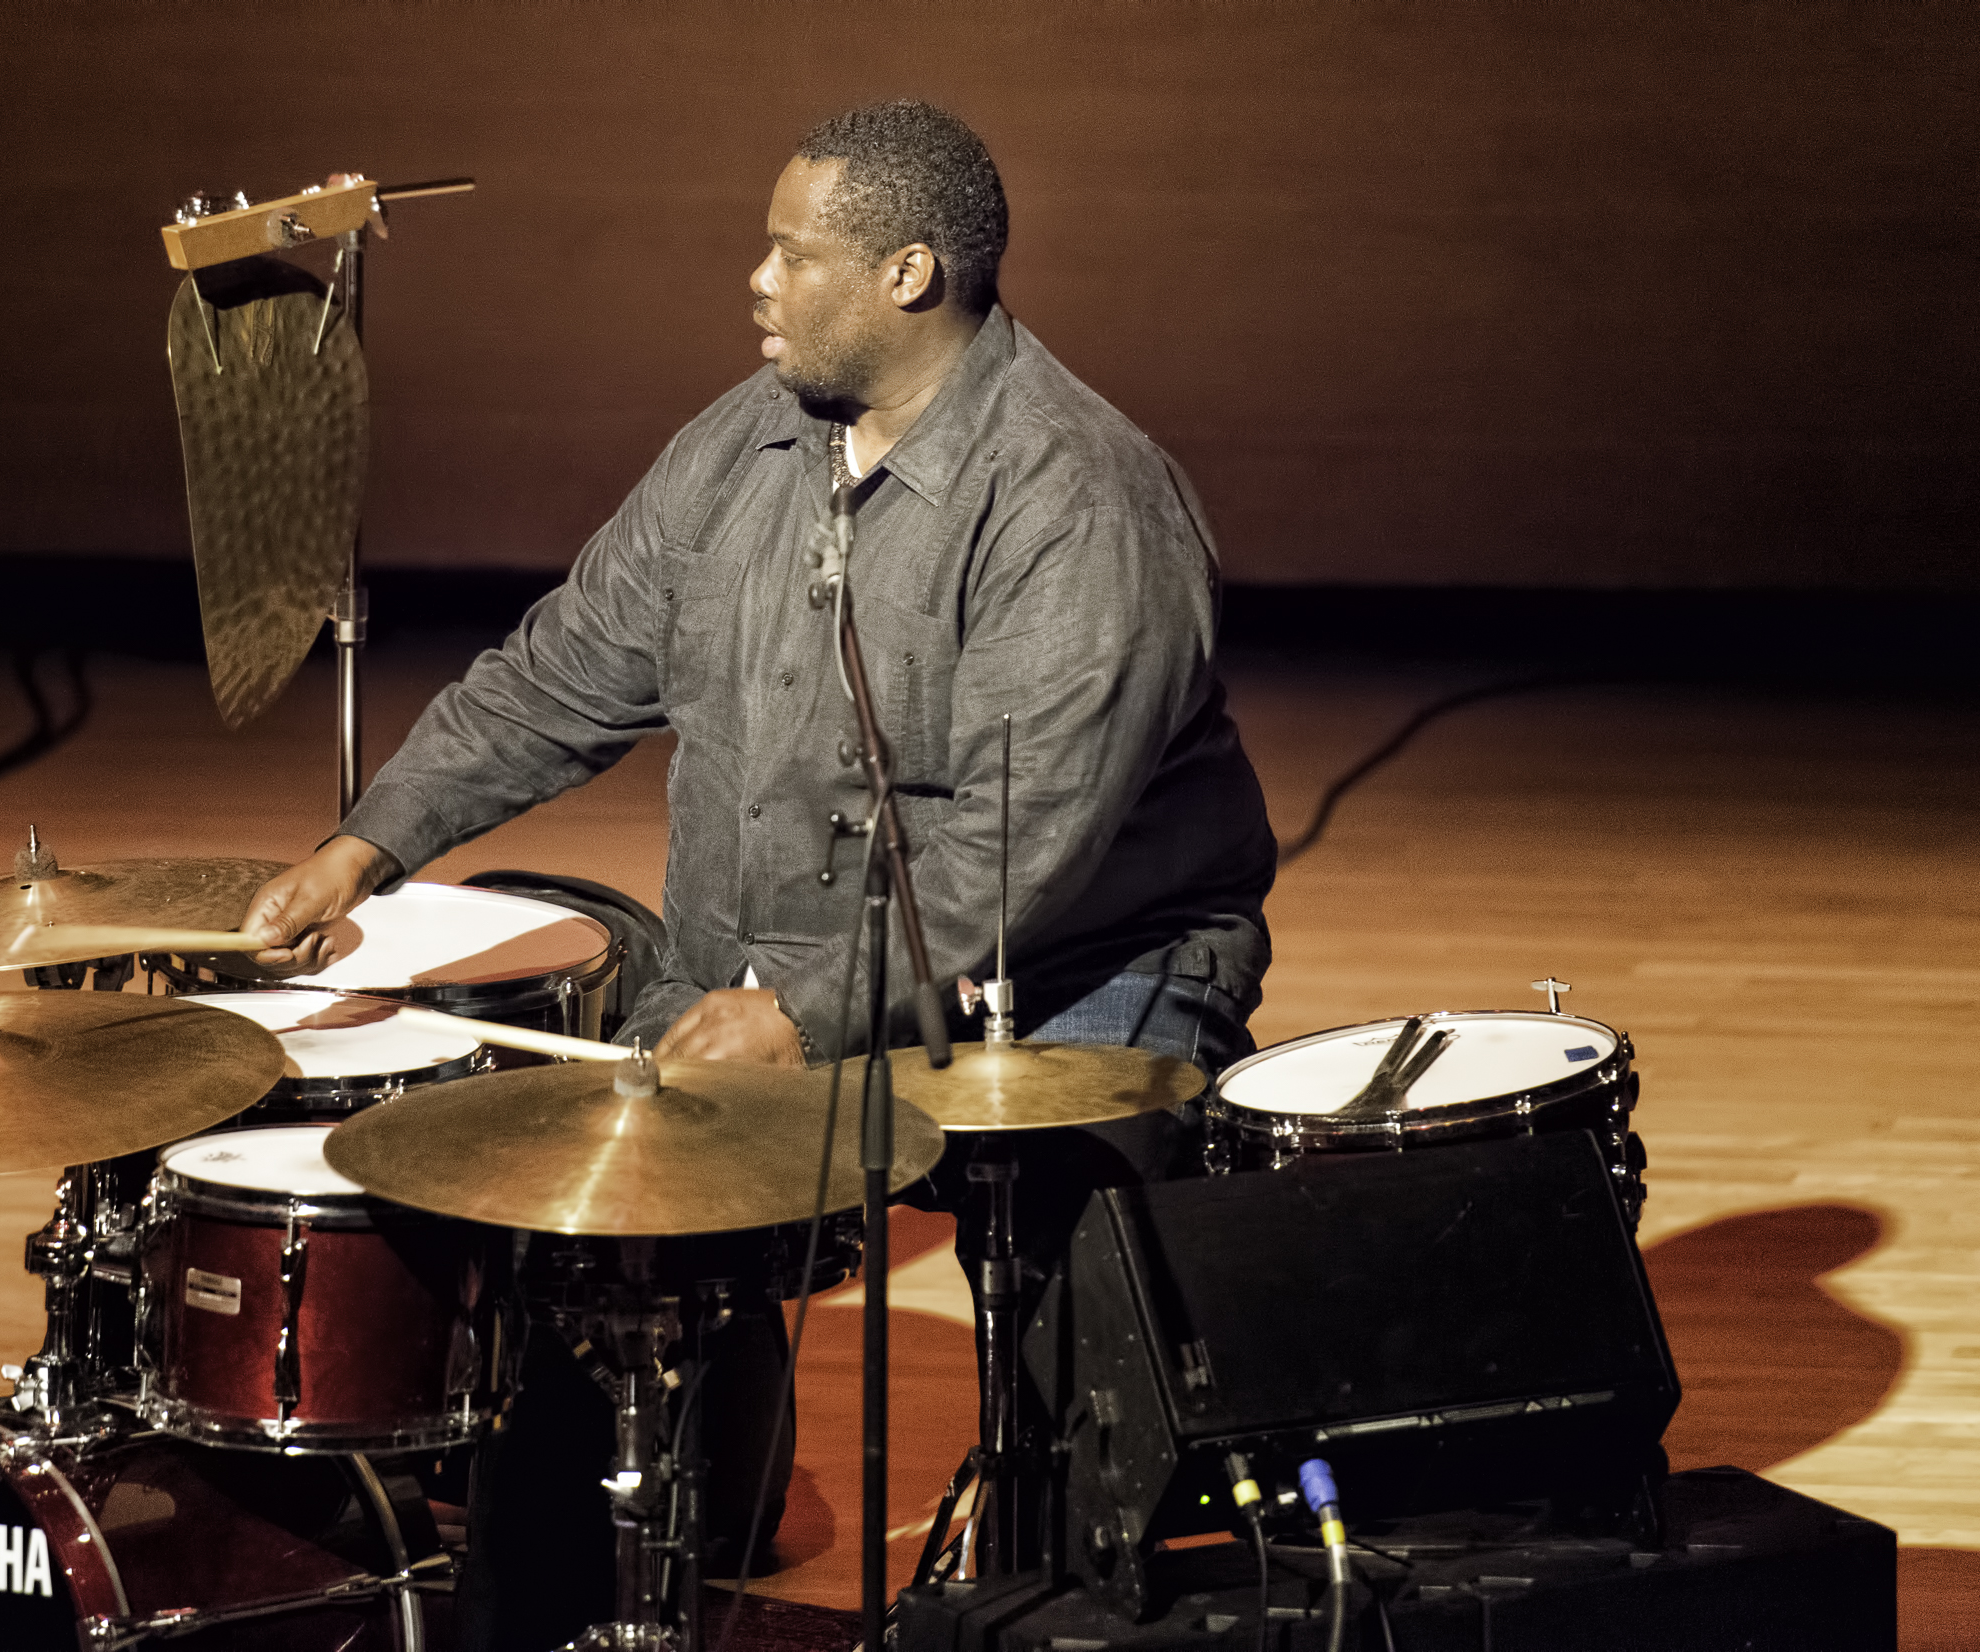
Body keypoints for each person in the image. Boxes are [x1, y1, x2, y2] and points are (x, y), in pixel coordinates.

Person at [242, 100, 1274, 1646]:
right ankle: (579, 1581)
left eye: (794, 251)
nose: (757, 281)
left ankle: (1061, 1593)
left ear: (910, 273)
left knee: (1079, 1350)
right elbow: (564, 673)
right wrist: (365, 843)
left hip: (1073, 970)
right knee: (576, 1232)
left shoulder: (1079, 498)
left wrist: (796, 1013)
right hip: (773, 960)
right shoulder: (743, 445)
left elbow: (1018, 846)